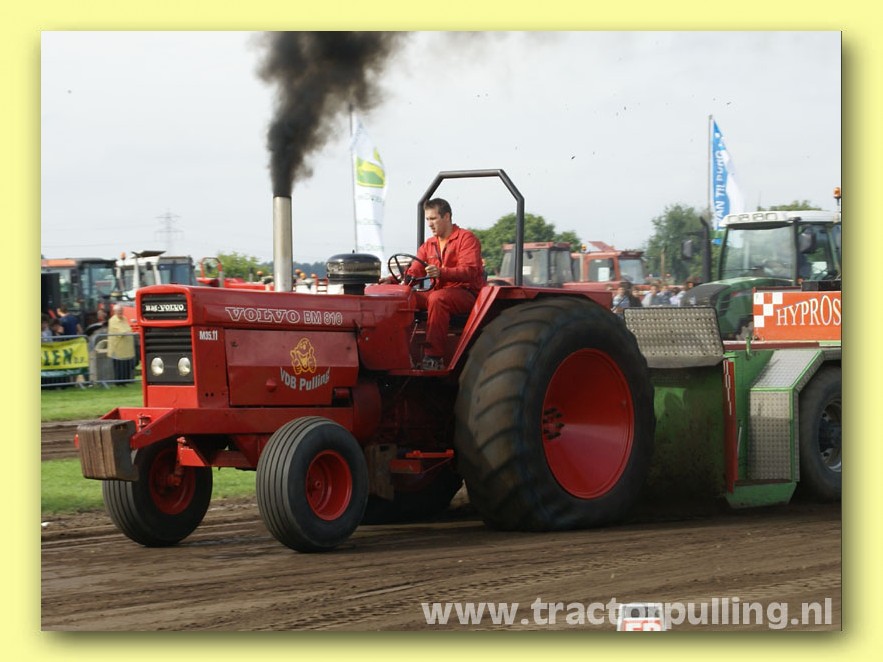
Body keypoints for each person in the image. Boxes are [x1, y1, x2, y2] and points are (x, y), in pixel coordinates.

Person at [401, 198, 484, 370]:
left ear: (447, 217)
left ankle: (433, 358)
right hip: (440, 292)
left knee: (438, 299)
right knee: (404, 298)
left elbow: (470, 271)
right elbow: (414, 270)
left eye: (433, 218)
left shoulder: (466, 238)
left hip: (467, 294)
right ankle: (401, 351)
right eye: (427, 219)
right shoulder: (429, 245)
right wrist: (396, 281)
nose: (429, 224)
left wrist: (442, 272)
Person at [107, 303, 136, 385]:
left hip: (126, 349)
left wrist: (130, 332)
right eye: (119, 311)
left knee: (126, 365)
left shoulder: (124, 319)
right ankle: (119, 382)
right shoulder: (112, 321)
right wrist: (129, 332)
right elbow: (121, 331)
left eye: (121, 310)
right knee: (119, 367)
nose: (120, 312)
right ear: (115, 311)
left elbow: (128, 329)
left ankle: (126, 381)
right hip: (118, 349)